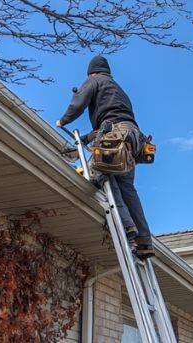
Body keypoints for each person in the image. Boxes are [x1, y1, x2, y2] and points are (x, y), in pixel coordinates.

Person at [55, 55, 154, 258]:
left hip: (116, 137)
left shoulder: (95, 80)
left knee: (99, 173)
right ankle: (144, 242)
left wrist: (63, 120)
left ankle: (126, 225)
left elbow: (78, 104)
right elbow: (110, 123)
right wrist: (84, 139)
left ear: (92, 72)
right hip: (132, 139)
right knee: (128, 189)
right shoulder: (117, 89)